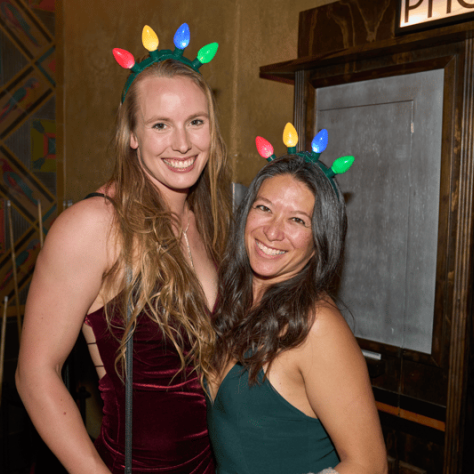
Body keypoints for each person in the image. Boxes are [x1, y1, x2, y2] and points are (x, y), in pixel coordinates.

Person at [16, 24, 232, 474]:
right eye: (160, 125)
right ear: (131, 135)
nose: (182, 143)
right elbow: (35, 375)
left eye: (196, 122)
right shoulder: (95, 226)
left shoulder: (208, 220)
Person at [206, 132, 388, 474]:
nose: (273, 231)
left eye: (297, 220)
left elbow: (370, 466)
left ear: (319, 242)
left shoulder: (317, 325)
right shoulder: (235, 303)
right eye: (264, 208)